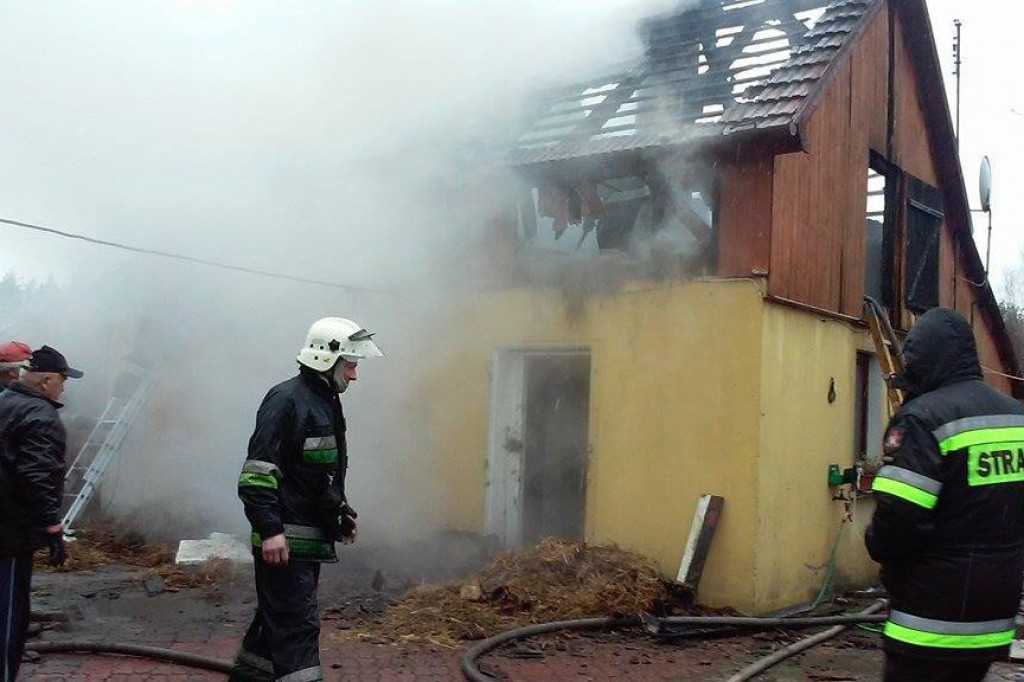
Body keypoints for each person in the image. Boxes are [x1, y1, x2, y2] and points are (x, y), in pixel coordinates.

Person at [865, 308, 1024, 682]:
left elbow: (897, 522)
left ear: (922, 358)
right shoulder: (1015, 416)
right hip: (993, 619)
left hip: (928, 621)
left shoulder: (923, 419)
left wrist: (878, 547)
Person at [231, 318, 382, 682]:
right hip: (285, 544)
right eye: (350, 365)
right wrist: (271, 531)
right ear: (325, 358)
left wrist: (338, 514)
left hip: (302, 544)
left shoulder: (324, 401)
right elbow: (257, 474)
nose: (355, 375)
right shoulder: (286, 400)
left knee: (273, 629)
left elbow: (315, 477)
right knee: (297, 627)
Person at [0, 345, 82, 680]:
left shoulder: (4, 401)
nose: (63, 387)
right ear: (47, 380)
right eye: (63, 380)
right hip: (9, 536)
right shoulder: (40, 415)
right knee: (7, 620)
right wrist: (51, 525)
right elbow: (37, 474)